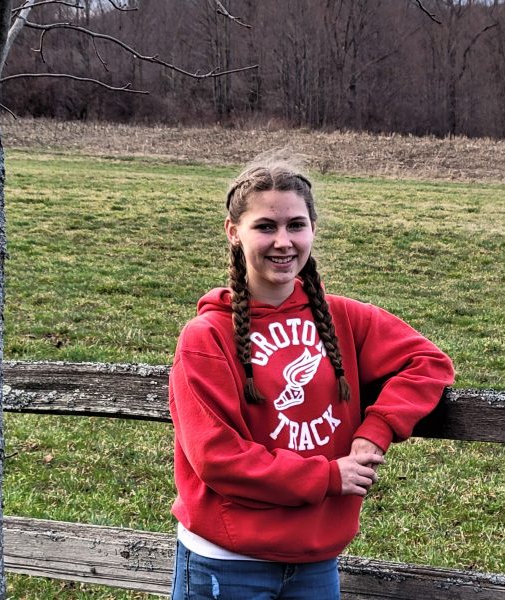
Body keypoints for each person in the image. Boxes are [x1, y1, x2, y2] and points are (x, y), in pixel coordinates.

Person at [169, 159, 455, 600]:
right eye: (265, 226)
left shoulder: (344, 318)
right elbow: (217, 457)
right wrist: (327, 477)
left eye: (295, 225)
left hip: (316, 564)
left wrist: (376, 431)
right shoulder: (206, 337)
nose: (283, 242)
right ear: (233, 231)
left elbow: (428, 362)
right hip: (226, 565)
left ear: (312, 230)